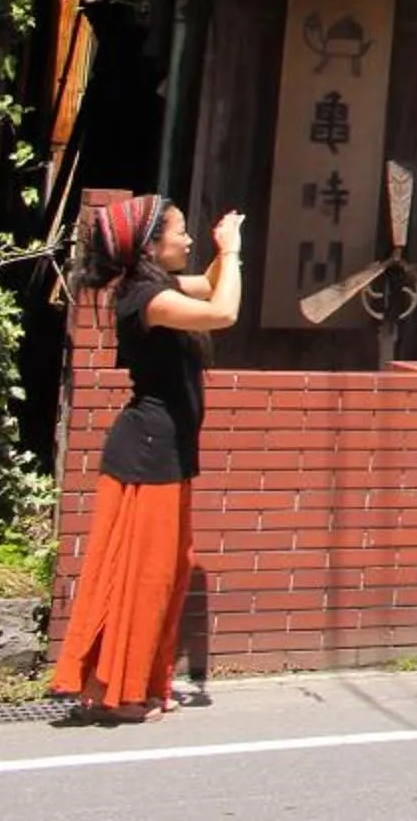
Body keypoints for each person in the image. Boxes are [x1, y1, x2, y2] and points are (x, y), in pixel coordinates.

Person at [52, 194, 243, 724]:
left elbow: (209, 283)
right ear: (151, 246)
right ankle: (123, 693)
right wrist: (234, 250)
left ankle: (129, 683)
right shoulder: (147, 299)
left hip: (165, 451)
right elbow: (223, 309)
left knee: (163, 573)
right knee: (143, 577)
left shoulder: (157, 286)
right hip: (148, 454)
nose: (187, 240)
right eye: (179, 232)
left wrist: (226, 249)